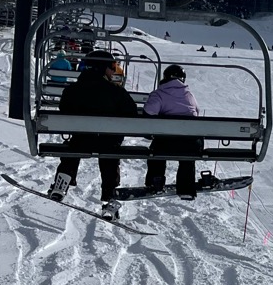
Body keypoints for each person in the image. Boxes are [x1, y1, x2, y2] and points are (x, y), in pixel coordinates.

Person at [48, 51, 139, 213]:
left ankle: (61, 184)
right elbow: (132, 114)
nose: (113, 71)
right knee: (110, 156)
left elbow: (64, 110)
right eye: (112, 67)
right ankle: (110, 196)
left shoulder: (72, 90)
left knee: (73, 148)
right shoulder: (116, 91)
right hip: (108, 143)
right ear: (104, 68)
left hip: (81, 140)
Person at [143, 64, 203, 199]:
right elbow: (197, 113)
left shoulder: (159, 93)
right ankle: (186, 188)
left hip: (166, 142)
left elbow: (149, 111)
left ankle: (155, 182)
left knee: (156, 152)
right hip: (191, 143)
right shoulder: (189, 95)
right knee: (188, 158)